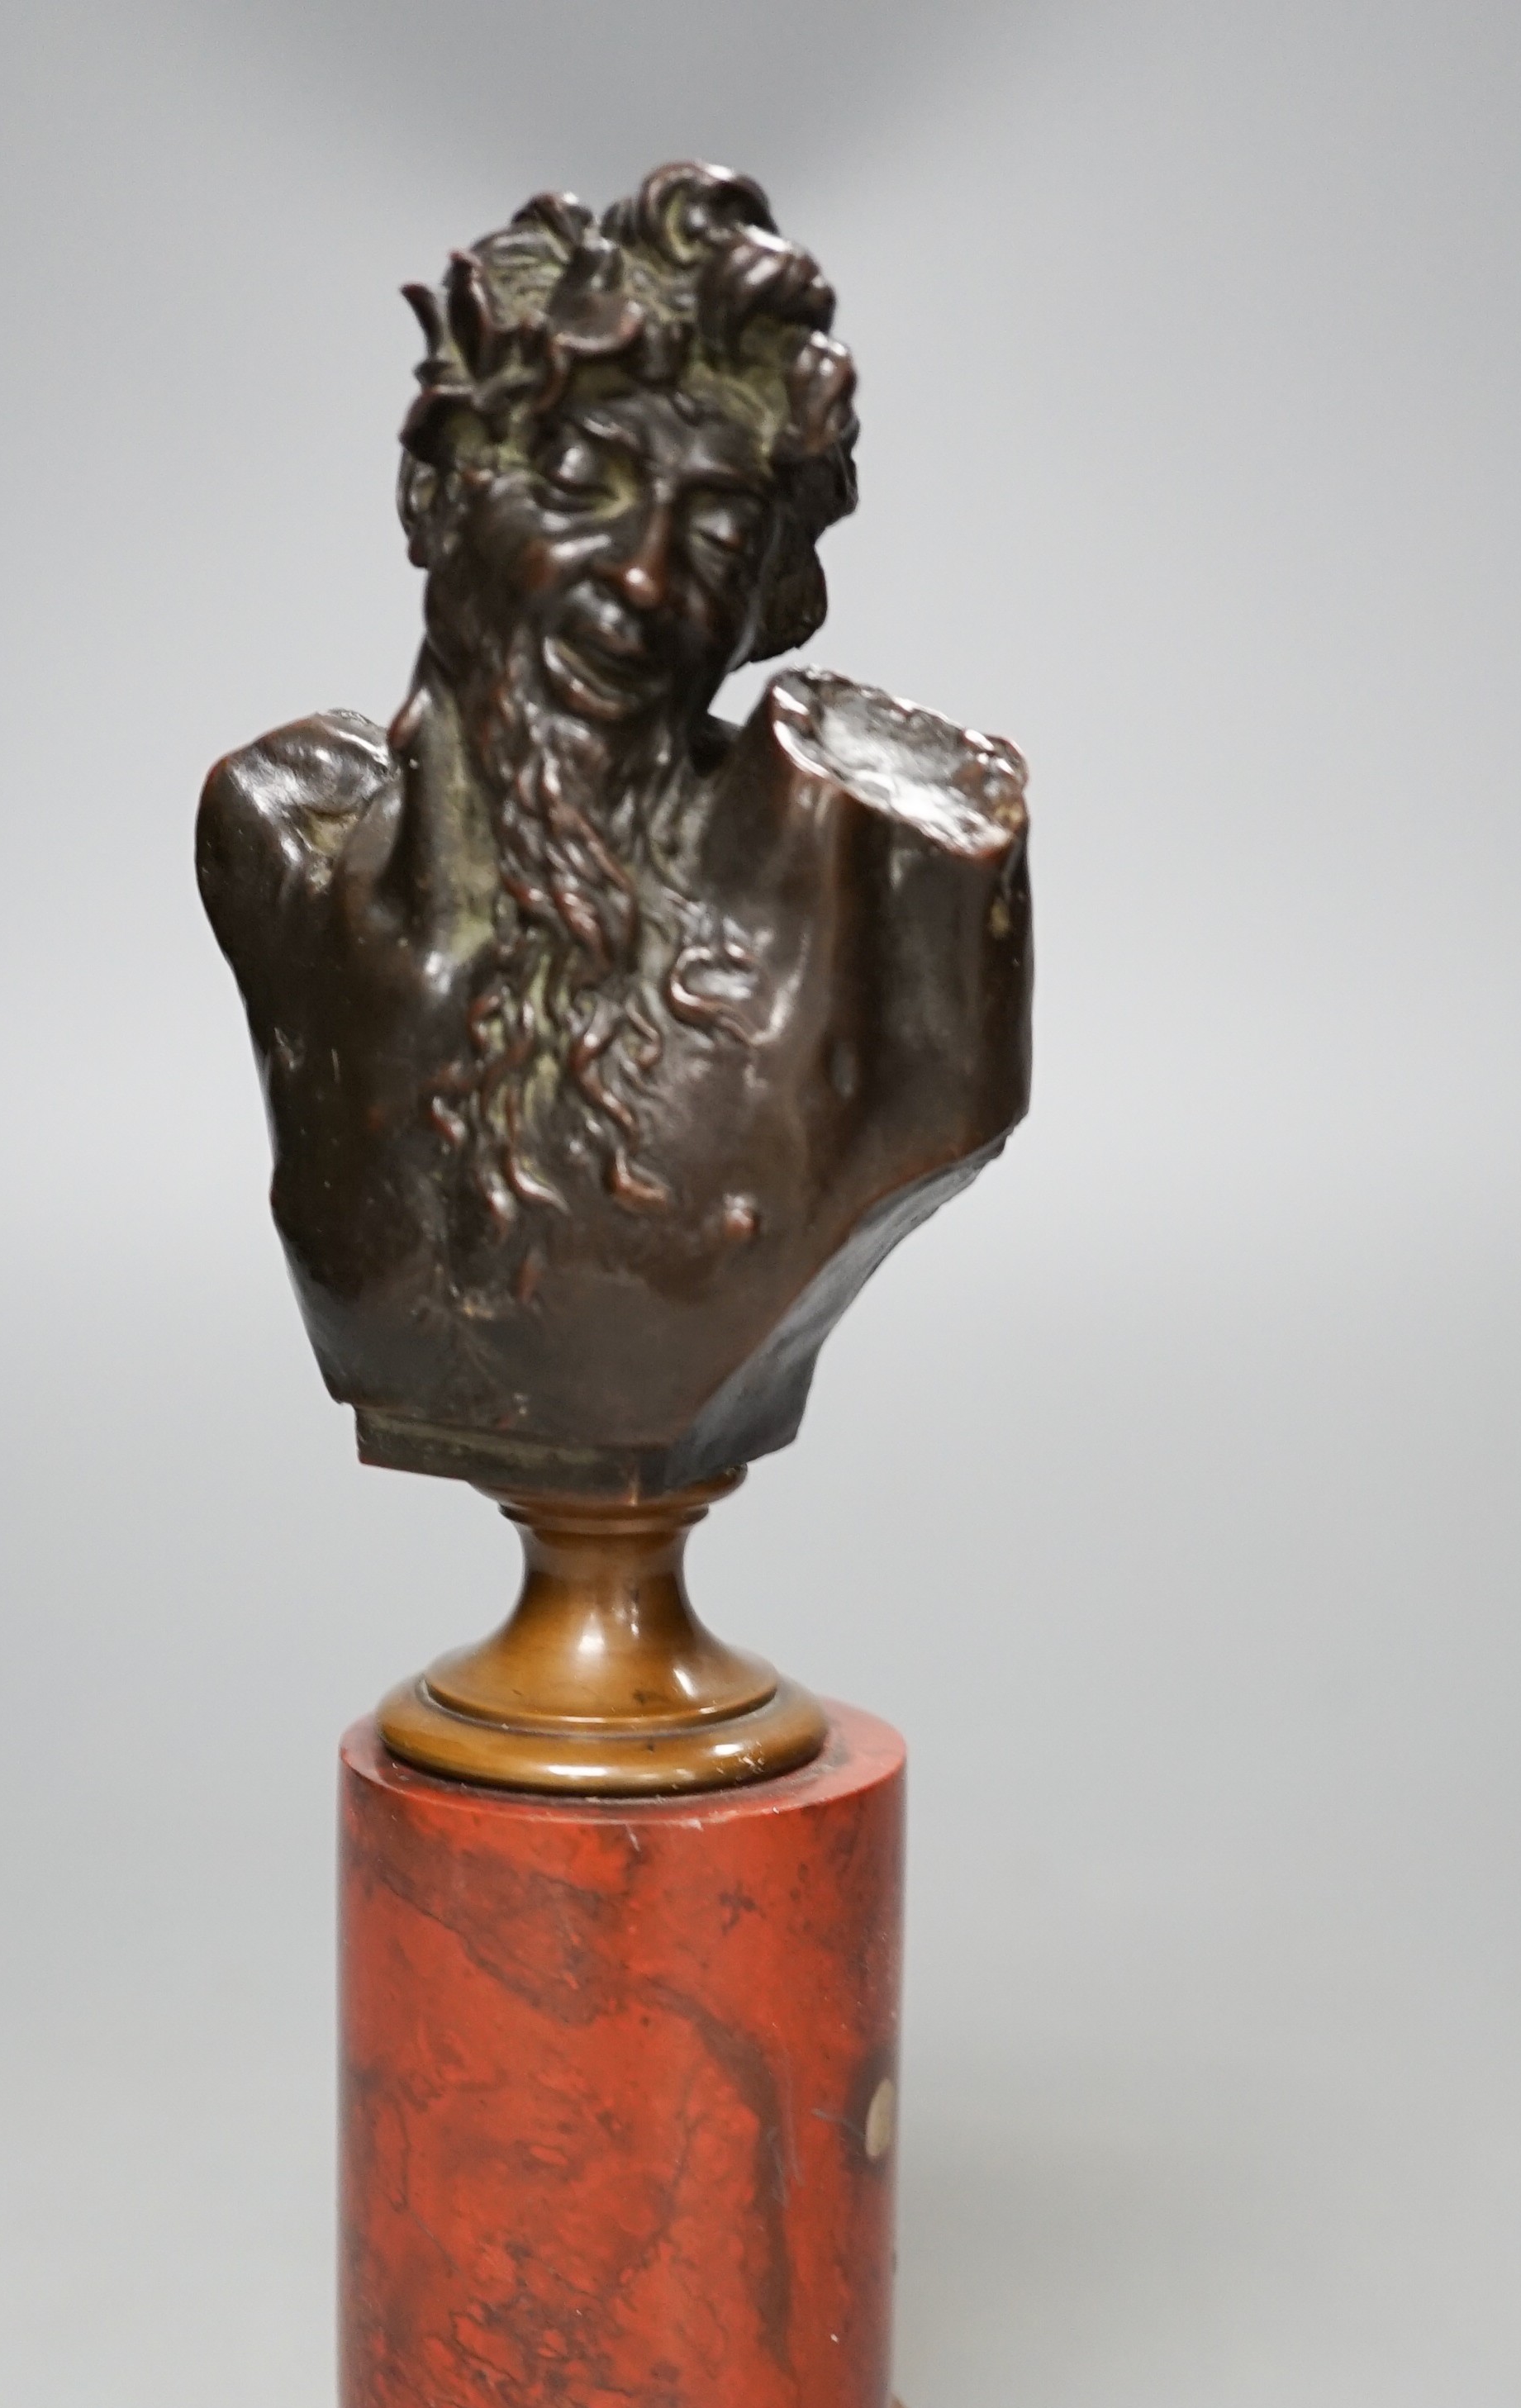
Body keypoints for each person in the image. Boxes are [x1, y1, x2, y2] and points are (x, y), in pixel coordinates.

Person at [198, 164, 1030, 1494]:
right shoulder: (280, 860)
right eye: (583, 484)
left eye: (708, 532)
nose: (641, 582)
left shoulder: (879, 886)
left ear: (770, 592)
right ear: (437, 499)